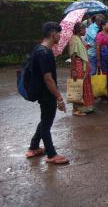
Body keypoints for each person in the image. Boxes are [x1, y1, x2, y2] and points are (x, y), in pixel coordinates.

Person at [25, 22, 69, 164]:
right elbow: (48, 78)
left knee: (45, 120)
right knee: (46, 123)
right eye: (58, 33)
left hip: (43, 92)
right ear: (52, 34)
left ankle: (34, 147)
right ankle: (51, 154)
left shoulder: (40, 49)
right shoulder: (44, 53)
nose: (60, 36)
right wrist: (59, 98)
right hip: (46, 94)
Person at [69, 22, 95, 116]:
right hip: (78, 66)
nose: (85, 31)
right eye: (84, 29)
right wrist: (74, 70)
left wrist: (86, 46)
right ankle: (75, 110)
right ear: (79, 30)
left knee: (84, 86)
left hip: (83, 66)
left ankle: (83, 107)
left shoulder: (79, 38)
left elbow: (81, 50)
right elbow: (73, 57)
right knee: (77, 86)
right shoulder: (74, 40)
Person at [96, 20, 108, 100]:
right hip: (103, 59)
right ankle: (103, 95)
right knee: (105, 76)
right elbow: (98, 48)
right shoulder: (100, 35)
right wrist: (98, 61)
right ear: (103, 26)